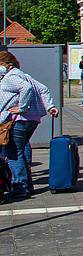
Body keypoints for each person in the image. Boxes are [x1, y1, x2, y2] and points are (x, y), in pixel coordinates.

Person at [0, 51, 59, 199]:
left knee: (13, 152)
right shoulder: (24, 75)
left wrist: (22, 107)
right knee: (21, 149)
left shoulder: (11, 77)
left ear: (8, 65)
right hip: (31, 119)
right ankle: (26, 185)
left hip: (18, 119)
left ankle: (21, 185)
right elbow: (42, 88)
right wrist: (49, 106)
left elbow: (27, 88)